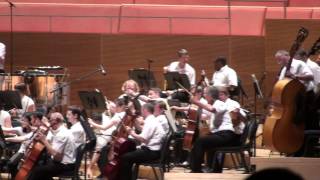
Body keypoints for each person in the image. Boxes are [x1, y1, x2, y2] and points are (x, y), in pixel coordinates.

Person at [189, 86, 239, 173]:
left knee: (199, 141)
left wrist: (196, 101)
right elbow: (207, 108)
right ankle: (212, 169)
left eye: (205, 94)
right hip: (221, 134)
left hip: (226, 135)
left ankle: (196, 170)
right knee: (200, 140)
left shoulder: (219, 103)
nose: (204, 96)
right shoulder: (215, 103)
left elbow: (211, 109)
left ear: (210, 95)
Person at [119, 103, 166, 180]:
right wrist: (135, 123)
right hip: (153, 150)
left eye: (141, 110)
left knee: (125, 158)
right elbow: (145, 131)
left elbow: (143, 139)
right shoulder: (152, 120)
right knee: (128, 152)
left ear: (144, 110)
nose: (141, 112)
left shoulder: (151, 122)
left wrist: (131, 132)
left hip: (151, 152)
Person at [28, 112, 76, 180]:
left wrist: (44, 140)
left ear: (56, 120)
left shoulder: (62, 134)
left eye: (50, 120)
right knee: (42, 166)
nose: (49, 122)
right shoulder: (62, 130)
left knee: (37, 171)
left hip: (65, 165)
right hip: (65, 162)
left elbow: (57, 157)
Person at [87, 98, 127, 178]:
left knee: (98, 146)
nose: (114, 109)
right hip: (114, 134)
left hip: (112, 136)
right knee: (98, 141)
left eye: (115, 107)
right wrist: (109, 107)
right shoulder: (123, 113)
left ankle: (90, 168)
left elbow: (104, 127)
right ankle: (101, 172)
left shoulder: (118, 115)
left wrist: (92, 123)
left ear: (121, 106)